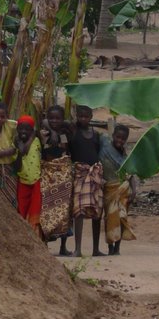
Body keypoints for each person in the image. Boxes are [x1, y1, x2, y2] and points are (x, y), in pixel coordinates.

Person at [68, 104, 104, 257]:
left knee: (97, 211)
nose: (83, 119)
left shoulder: (96, 135)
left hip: (94, 174)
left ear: (91, 117)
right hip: (80, 174)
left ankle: (96, 249)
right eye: (80, 116)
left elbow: (98, 153)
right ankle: (78, 249)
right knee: (79, 211)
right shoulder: (73, 132)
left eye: (86, 116)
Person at [38, 105, 74, 255]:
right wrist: (50, 131)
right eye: (51, 118)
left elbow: (65, 148)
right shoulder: (43, 133)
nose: (54, 120)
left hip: (63, 173)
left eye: (57, 118)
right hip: (47, 172)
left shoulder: (65, 132)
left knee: (65, 210)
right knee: (45, 209)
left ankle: (63, 246)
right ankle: (44, 243)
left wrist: (56, 133)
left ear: (62, 118)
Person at [100, 123, 137, 256]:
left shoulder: (126, 156)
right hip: (108, 189)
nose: (120, 141)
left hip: (123, 190)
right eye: (118, 137)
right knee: (110, 219)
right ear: (113, 136)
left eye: (123, 139)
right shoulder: (104, 147)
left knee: (121, 218)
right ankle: (110, 247)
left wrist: (134, 191)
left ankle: (117, 247)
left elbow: (130, 174)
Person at [13, 115, 42, 234]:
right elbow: (17, 167)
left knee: (35, 210)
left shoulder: (37, 140)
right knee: (21, 209)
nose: (23, 131)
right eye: (21, 129)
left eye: (27, 129)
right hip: (23, 181)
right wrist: (20, 151)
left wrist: (33, 136)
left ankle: (34, 237)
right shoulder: (15, 143)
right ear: (17, 129)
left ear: (32, 131)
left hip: (36, 181)